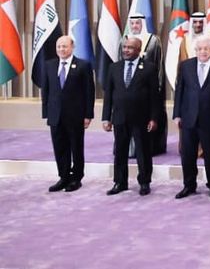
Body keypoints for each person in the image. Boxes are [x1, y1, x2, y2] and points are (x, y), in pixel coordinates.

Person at [102, 36, 163, 196]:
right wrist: (106, 118)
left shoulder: (149, 68)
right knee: (120, 151)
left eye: (130, 48)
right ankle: (120, 182)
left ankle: (144, 182)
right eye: (125, 47)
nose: (126, 50)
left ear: (138, 50)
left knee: (143, 152)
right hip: (120, 117)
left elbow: (154, 96)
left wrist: (154, 118)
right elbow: (108, 95)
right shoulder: (114, 68)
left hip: (141, 118)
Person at [172, 36, 210, 199]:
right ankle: (189, 185)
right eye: (200, 49)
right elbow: (179, 91)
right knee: (188, 154)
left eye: (206, 48)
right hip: (188, 117)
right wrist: (177, 114)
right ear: (195, 50)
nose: (203, 52)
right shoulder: (186, 66)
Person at [40, 35, 95, 193]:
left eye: (64, 46)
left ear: (72, 47)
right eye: (59, 47)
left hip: (76, 115)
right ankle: (63, 177)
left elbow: (89, 92)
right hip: (55, 115)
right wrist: (46, 113)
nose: (61, 49)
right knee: (59, 147)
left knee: (76, 147)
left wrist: (88, 115)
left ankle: (76, 178)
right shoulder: (49, 65)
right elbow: (46, 91)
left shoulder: (83, 65)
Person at [125, 12, 167, 156]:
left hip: (148, 91)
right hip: (129, 89)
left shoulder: (154, 41)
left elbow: (159, 66)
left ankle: (151, 148)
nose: (134, 26)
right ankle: (129, 150)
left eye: (137, 23)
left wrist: (158, 88)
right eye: (132, 23)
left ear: (142, 24)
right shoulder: (124, 40)